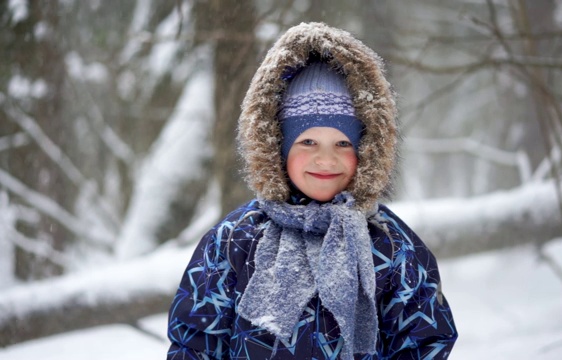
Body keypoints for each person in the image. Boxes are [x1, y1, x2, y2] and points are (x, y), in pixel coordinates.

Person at [166, 22, 457, 360]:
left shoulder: (391, 245)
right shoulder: (235, 241)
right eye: (307, 142)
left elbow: (424, 340)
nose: (325, 158)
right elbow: (196, 343)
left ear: (366, 149)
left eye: (342, 143)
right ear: (277, 146)